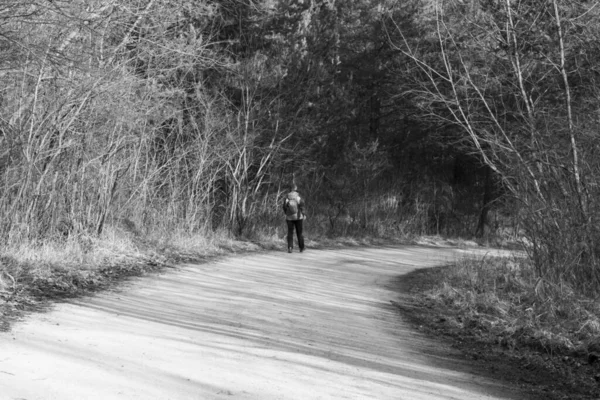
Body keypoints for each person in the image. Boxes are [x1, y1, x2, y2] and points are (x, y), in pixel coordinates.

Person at [283, 184, 305, 253]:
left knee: (290, 232)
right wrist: (304, 214)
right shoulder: (298, 197)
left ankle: (290, 247)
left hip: (289, 218)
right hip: (298, 217)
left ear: (290, 189)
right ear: (295, 188)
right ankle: (301, 247)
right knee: (299, 233)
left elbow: (284, 206)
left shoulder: (287, 197)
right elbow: (302, 206)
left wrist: (286, 213)